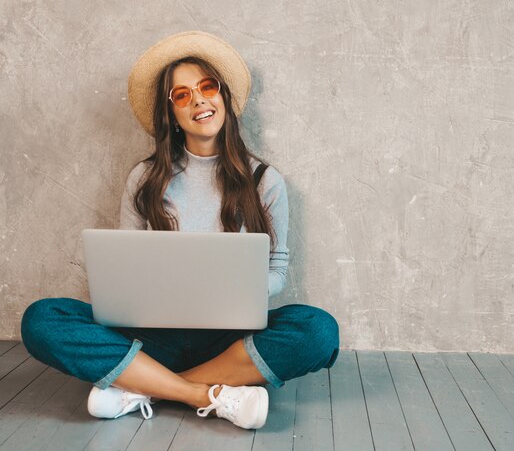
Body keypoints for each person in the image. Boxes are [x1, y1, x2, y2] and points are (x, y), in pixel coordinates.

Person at [20, 31, 339, 430]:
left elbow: (276, 270)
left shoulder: (264, 180)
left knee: (318, 331)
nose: (199, 100)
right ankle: (208, 395)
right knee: (42, 319)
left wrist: (234, 291)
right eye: (182, 95)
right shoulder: (144, 178)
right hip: (153, 338)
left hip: (228, 340)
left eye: (207, 87)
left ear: (223, 97)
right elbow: (125, 271)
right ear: (172, 114)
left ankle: (143, 386)